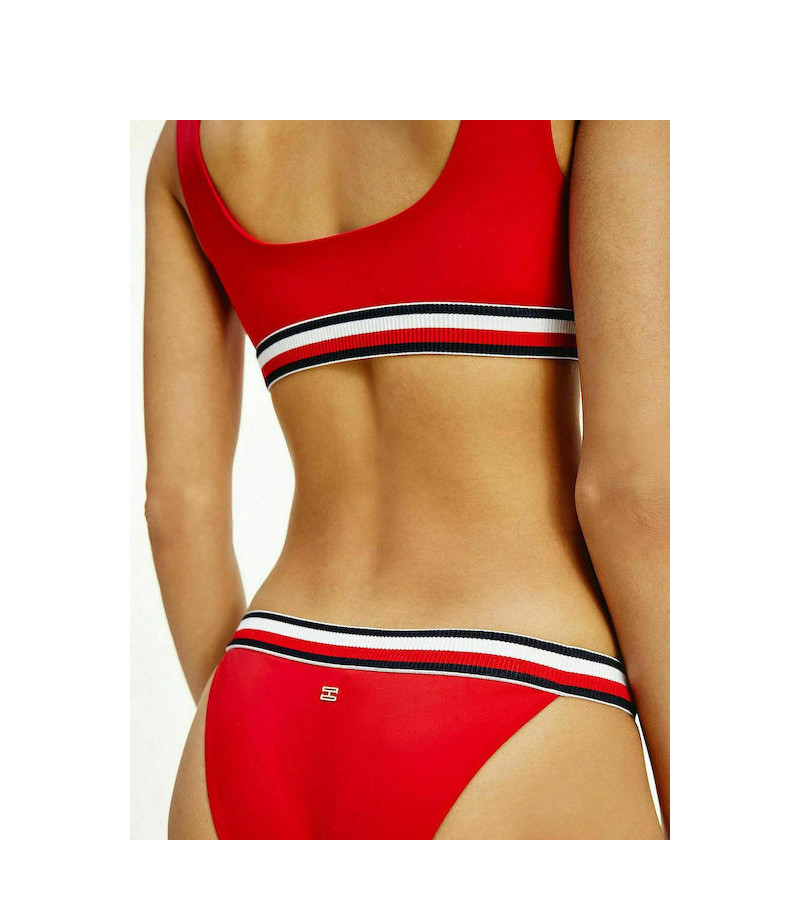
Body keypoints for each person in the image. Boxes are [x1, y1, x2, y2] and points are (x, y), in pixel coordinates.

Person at [144, 120, 668, 839]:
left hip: (264, 691)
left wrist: (253, 724)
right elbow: (633, 490)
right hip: (516, 687)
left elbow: (178, 507)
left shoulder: (185, 145)